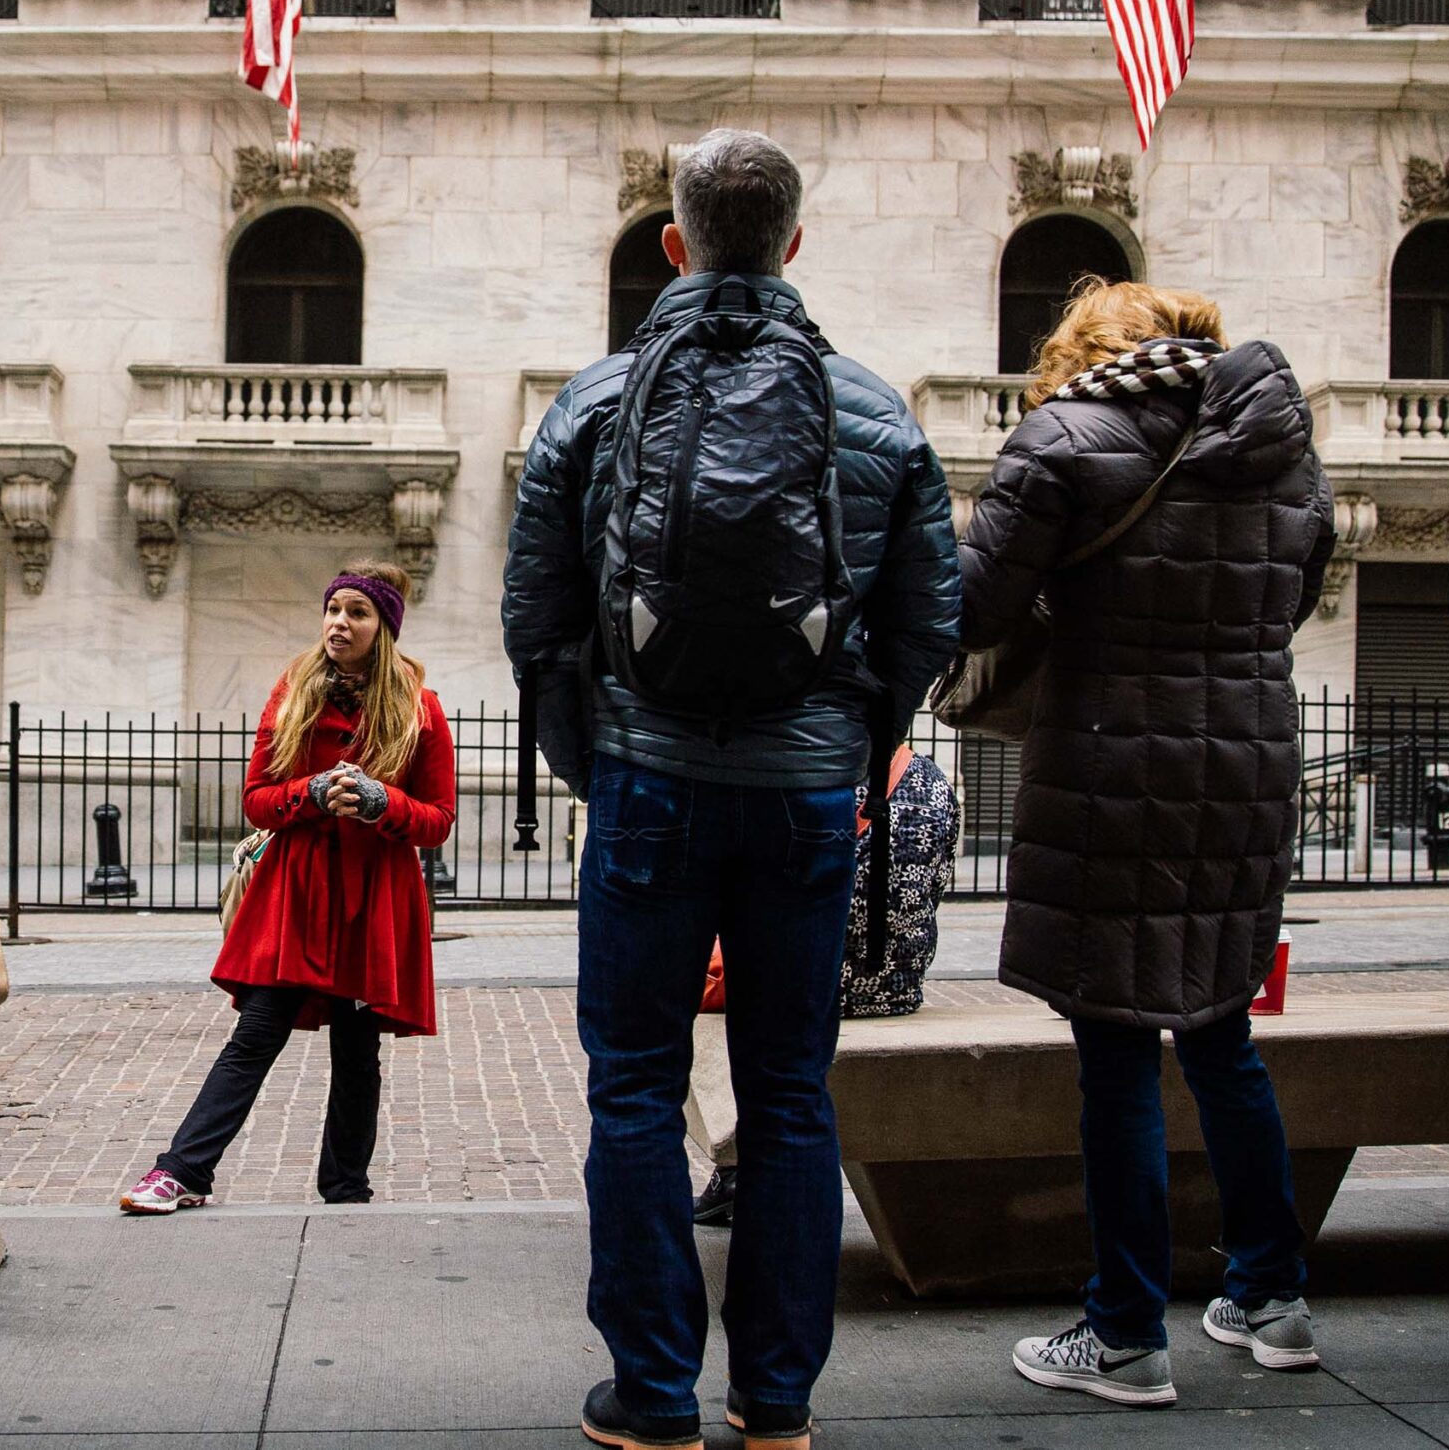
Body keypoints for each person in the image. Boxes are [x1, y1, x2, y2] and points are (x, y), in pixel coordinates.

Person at [505, 128, 960, 1450]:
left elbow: (536, 618)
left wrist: (597, 760)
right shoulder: (875, 412)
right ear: (796, 244)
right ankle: (777, 1400)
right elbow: (932, 616)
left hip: (648, 784)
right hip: (809, 795)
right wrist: (863, 742)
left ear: (675, 243)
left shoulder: (594, 404)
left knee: (636, 1082)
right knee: (791, 1088)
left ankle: (651, 1396)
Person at [957, 280, 1335, 1408]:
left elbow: (970, 606)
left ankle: (1124, 1332)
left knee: (1116, 1044)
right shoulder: (1283, 445)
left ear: (1086, 350)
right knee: (1220, 1029)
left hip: (1114, 760)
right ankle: (1271, 1292)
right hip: (1248, 762)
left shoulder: (1065, 434)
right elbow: (1295, 594)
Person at [121, 562, 455, 1212]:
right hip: (297, 898)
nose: (338, 623)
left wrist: (381, 801)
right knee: (256, 1031)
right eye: (333, 610)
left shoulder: (421, 710)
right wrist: (310, 794)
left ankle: (346, 1191)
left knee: (357, 1053)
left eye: (356, 612)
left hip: (372, 901)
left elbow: (438, 820)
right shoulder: (295, 692)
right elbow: (257, 800)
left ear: (381, 626)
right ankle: (182, 1171)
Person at [693, 744, 960, 1228]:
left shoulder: (810, 770)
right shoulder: (935, 782)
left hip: (809, 979)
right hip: (895, 983)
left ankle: (735, 1169)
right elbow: (938, 885)